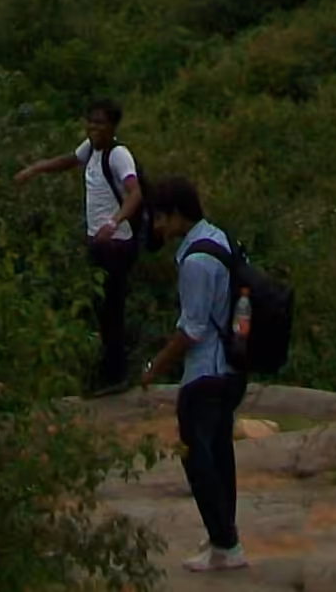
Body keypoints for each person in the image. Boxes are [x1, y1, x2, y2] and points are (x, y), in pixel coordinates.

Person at [133, 171, 249, 572]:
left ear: (178, 214)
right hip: (232, 369)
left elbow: (192, 330)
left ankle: (226, 545)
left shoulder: (195, 261)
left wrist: (155, 367)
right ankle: (224, 537)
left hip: (206, 374)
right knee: (219, 456)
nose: (157, 226)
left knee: (198, 460)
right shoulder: (220, 238)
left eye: (160, 217)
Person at [13, 99, 144, 392]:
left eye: (100, 123)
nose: (93, 127)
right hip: (98, 242)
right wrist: (35, 169)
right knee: (100, 309)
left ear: (113, 126)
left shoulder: (118, 155)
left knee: (111, 310)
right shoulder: (91, 149)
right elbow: (68, 160)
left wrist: (114, 223)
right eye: (90, 121)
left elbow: (135, 193)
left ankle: (116, 376)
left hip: (116, 245)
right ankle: (108, 372)